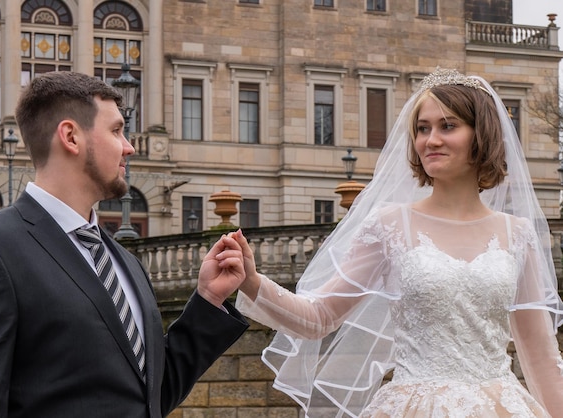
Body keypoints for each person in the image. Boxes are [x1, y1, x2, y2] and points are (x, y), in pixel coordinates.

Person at [230, 68, 563, 417]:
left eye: (447, 126)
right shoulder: (390, 226)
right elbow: (319, 317)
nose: (430, 140)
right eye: (423, 128)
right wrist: (253, 282)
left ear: (482, 135)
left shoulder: (518, 234)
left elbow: (540, 355)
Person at [0, 71, 248, 418]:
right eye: (116, 130)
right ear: (71, 136)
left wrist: (208, 300)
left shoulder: (126, 262)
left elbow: (149, 398)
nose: (129, 146)